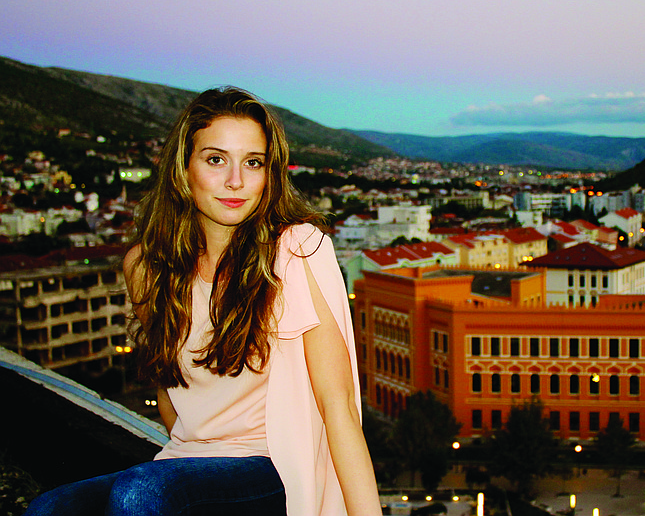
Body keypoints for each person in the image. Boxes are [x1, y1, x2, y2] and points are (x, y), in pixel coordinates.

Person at [24, 87, 382, 515]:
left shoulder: (296, 250)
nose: (236, 180)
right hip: (186, 463)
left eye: (253, 162)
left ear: (270, 173)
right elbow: (169, 387)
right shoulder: (146, 265)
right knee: (50, 508)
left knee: (142, 493)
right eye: (216, 159)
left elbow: (337, 406)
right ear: (184, 168)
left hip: (276, 467)